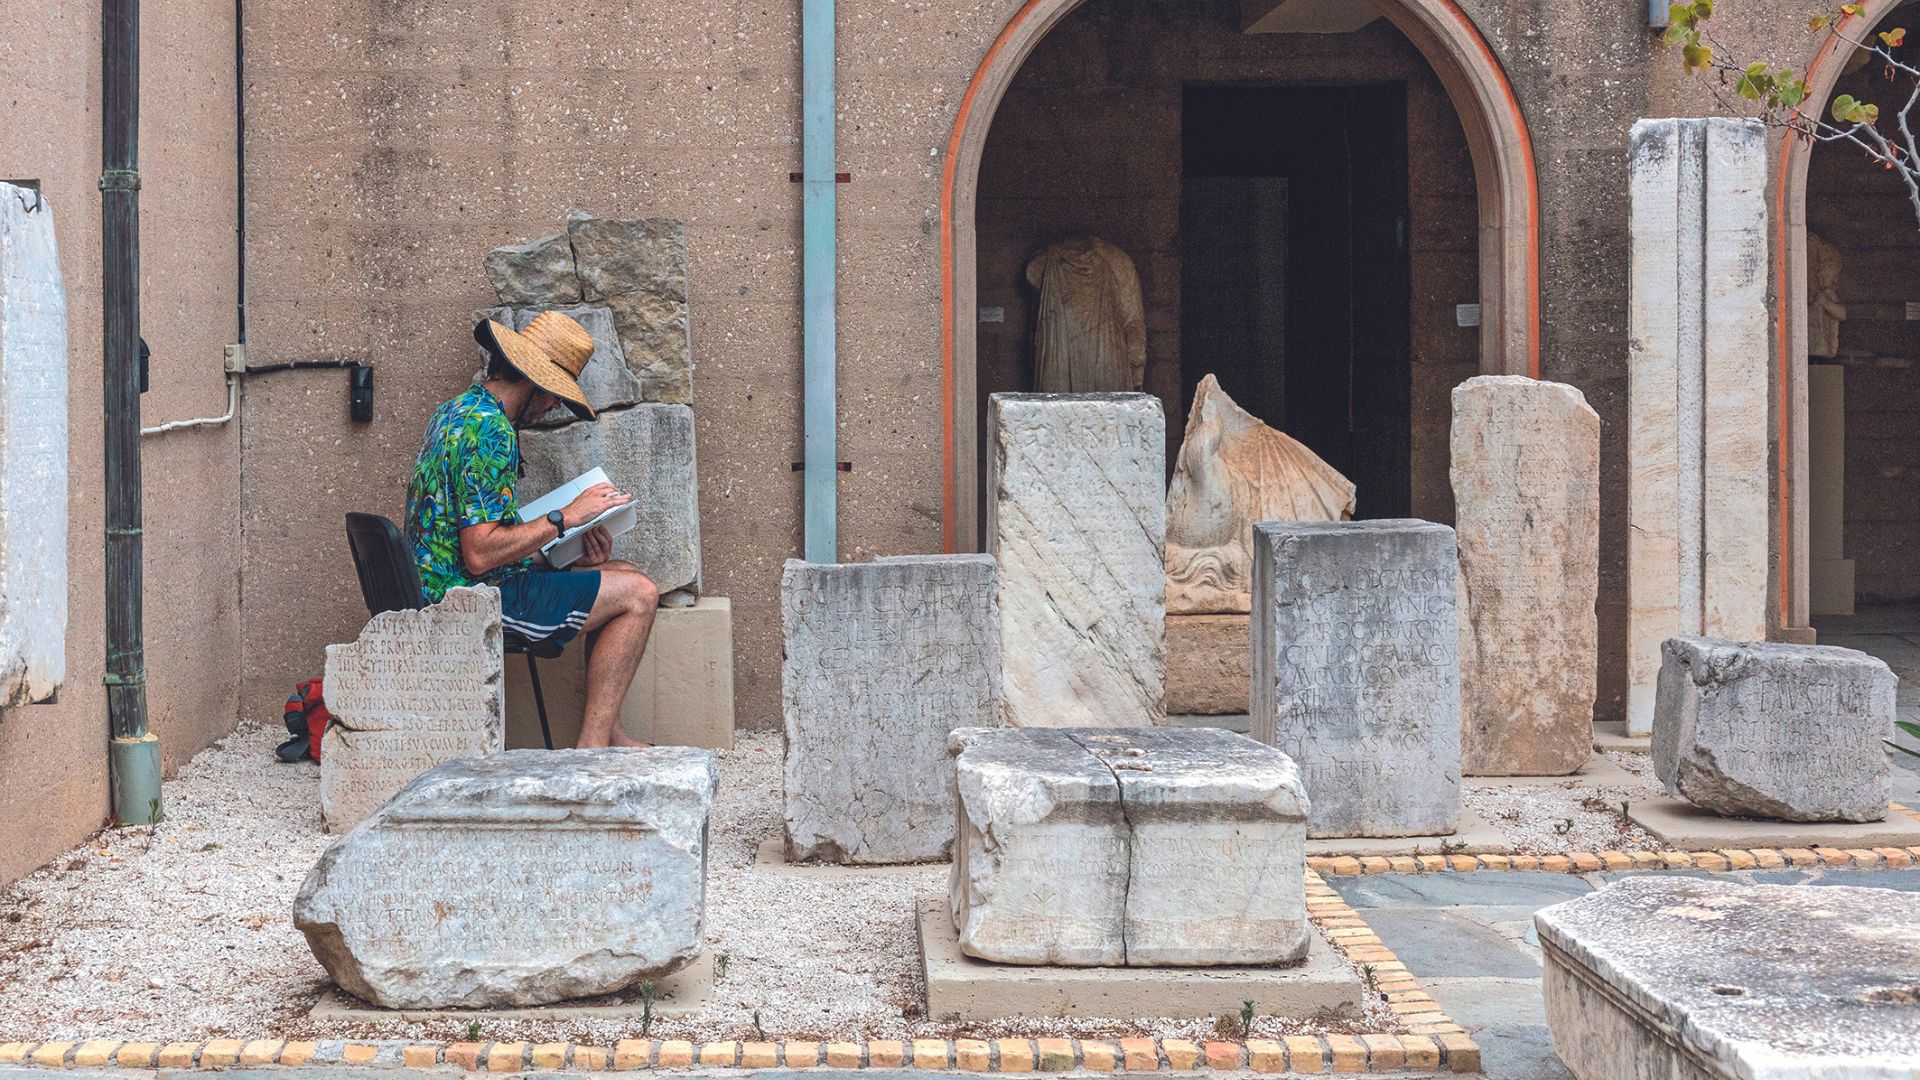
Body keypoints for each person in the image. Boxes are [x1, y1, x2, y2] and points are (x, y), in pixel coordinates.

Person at [405, 311, 660, 748]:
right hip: (468, 601)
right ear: (532, 379)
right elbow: (480, 553)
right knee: (640, 595)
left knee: (625, 573)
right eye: (554, 394)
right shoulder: (490, 432)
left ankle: (609, 731)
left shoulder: (457, 411)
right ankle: (593, 748)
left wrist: (562, 548)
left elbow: (469, 536)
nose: (554, 405)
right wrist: (567, 517)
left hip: (448, 583)